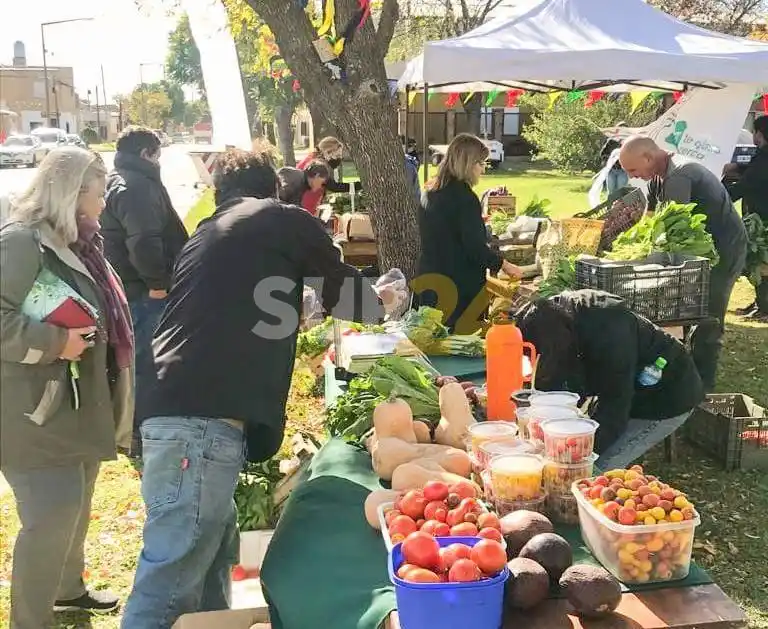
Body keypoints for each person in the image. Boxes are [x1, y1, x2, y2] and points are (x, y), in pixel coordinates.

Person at [121, 148, 394, 629]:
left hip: (171, 409)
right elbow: (348, 294)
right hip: (201, 422)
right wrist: (384, 301)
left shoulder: (210, 232)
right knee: (171, 578)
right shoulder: (280, 219)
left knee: (210, 556)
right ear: (274, 190)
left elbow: (244, 307)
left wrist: (300, 307)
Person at [0, 147, 134, 628]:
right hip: (32, 412)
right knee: (51, 515)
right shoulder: (21, 242)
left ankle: (67, 589)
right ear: (71, 194)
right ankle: (30, 622)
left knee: (74, 503)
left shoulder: (80, 242)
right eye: (99, 193)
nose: (104, 203)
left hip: (75, 404)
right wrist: (58, 342)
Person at [516, 290, 704, 469]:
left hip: (666, 393)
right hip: (625, 386)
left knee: (594, 466)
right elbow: (555, 379)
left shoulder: (610, 335)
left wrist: (581, 453)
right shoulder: (548, 318)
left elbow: (615, 408)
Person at [618, 135, 748, 392]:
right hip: (695, 253)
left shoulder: (680, 175)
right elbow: (651, 221)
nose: (633, 177)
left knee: (707, 317)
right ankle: (684, 375)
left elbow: (674, 231)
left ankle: (703, 387)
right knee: (685, 311)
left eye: (633, 170)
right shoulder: (657, 178)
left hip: (723, 250)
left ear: (648, 157)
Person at [100, 126, 188, 446]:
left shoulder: (121, 180)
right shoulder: (136, 186)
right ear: (146, 154)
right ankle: (140, 430)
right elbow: (144, 241)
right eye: (157, 154)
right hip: (142, 290)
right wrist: (158, 283)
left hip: (131, 286)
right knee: (144, 362)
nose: (159, 160)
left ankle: (138, 425)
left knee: (137, 359)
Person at [417, 133, 522, 332]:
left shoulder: (430, 191)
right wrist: (504, 265)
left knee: (432, 338)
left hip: (430, 278)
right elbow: (474, 247)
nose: (483, 169)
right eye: (481, 163)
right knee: (462, 343)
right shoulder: (465, 198)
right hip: (458, 287)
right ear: (468, 164)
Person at [724, 115, 768, 319]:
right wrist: (736, 167)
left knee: (760, 263)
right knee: (756, 262)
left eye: (754, 132)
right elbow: (751, 168)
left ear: (759, 134)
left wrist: (720, 195)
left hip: (763, 219)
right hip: (759, 215)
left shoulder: (763, 159)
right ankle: (760, 302)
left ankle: (765, 307)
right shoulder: (761, 156)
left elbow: (746, 185)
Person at [297, 136, 362, 193]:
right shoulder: (318, 166)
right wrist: (360, 185)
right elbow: (334, 187)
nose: (339, 158)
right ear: (327, 152)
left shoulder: (311, 158)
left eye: (340, 156)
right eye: (337, 155)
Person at [599, 125, 629, 197]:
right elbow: (602, 153)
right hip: (611, 171)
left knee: (620, 192)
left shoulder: (629, 141)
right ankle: (610, 204)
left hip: (623, 171)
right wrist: (608, 159)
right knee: (611, 192)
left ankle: (619, 204)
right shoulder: (611, 141)